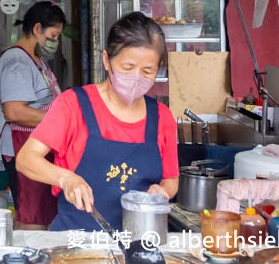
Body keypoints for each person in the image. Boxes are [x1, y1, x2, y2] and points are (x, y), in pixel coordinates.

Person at [16, 12, 178, 232]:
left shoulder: (162, 117)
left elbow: (171, 179)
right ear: (106, 60)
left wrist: (163, 192)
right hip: (76, 242)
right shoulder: (73, 105)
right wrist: (66, 179)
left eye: (147, 71)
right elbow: (26, 159)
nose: (136, 77)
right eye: (128, 68)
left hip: (139, 240)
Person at [0, 2, 66, 228]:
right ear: (37, 29)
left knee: (44, 215)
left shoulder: (36, 59)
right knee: (32, 217)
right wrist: (61, 122)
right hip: (23, 146)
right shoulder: (17, 62)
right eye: (53, 36)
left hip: (40, 144)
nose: (55, 42)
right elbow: (14, 111)